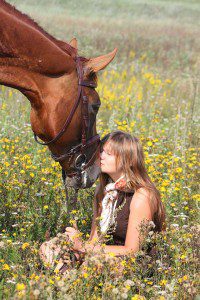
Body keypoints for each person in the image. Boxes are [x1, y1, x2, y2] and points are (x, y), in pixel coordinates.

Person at [39, 130, 166, 270]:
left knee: (92, 263)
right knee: (49, 248)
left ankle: (69, 281)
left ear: (128, 161)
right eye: (101, 151)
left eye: (108, 154)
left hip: (136, 264)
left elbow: (133, 250)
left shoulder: (141, 196)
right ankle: (70, 282)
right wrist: (77, 246)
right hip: (104, 255)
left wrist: (82, 246)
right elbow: (94, 241)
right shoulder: (104, 191)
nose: (101, 156)